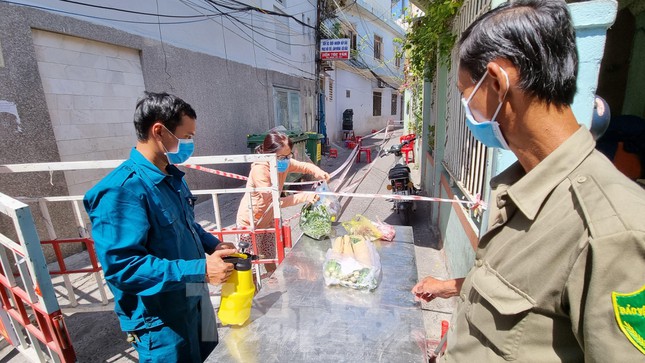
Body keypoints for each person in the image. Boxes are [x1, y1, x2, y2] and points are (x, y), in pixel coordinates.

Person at [412, 1, 645, 361]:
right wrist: (449, 286)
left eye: (464, 94)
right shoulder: (522, 188)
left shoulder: (612, 230)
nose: (467, 109)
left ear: (497, 82)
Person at [84, 92, 237, 362]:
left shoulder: (172, 175)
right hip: (162, 320)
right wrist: (200, 269)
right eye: (186, 136)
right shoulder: (120, 191)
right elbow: (124, 268)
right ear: (159, 131)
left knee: (214, 356)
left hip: (195, 299)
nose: (190, 144)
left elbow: (187, 224)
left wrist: (214, 245)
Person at [236, 131, 330, 273]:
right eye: (282, 157)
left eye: (288, 155)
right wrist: (304, 196)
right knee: (249, 265)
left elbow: (303, 166)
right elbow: (274, 202)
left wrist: (317, 171)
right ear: (269, 153)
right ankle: (253, 292)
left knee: (269, 256)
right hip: (250, 223)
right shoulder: (260, 170)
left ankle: (273, 281)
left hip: (268, 221)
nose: (286, 160)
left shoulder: (282, 162)